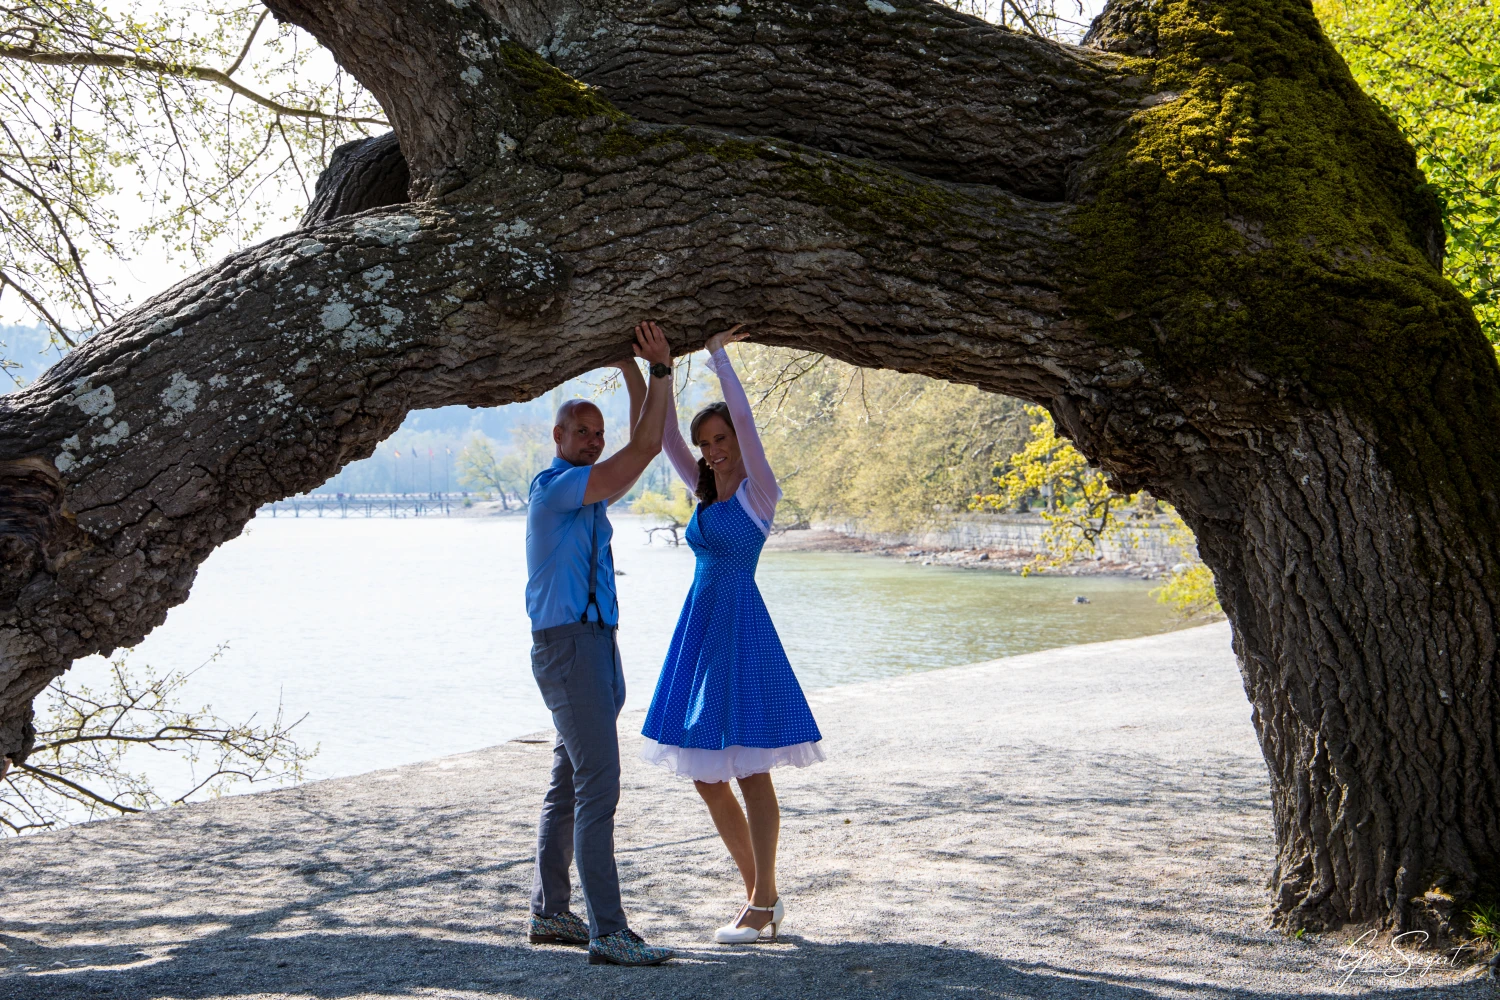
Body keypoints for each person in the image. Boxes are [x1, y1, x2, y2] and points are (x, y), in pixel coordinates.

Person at [640, 324, 825, 944]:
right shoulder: (702, 489)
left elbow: (744, 419)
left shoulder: (758, 492)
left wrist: (718, 356)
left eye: (720, 439)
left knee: (751, 771)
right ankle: (762, 898)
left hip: (742, 628)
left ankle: (762, 901)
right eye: (706, 442)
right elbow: (660, 434)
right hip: (700, 631)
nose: (713, 449)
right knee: (706, 776)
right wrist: (638, 370)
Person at [524, 320, 676, 967]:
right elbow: (645, 448)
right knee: (599, 787)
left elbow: (640, 439)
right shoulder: (556, 489)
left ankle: (551, 913)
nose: (592, 440)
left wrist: (630, 369)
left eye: (597, 432)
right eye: (581, 432)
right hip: (568, 651)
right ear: (557, 437)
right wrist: (660, 369)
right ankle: (608, 931)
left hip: (595, 649)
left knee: (569, 782)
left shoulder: (588, 497)